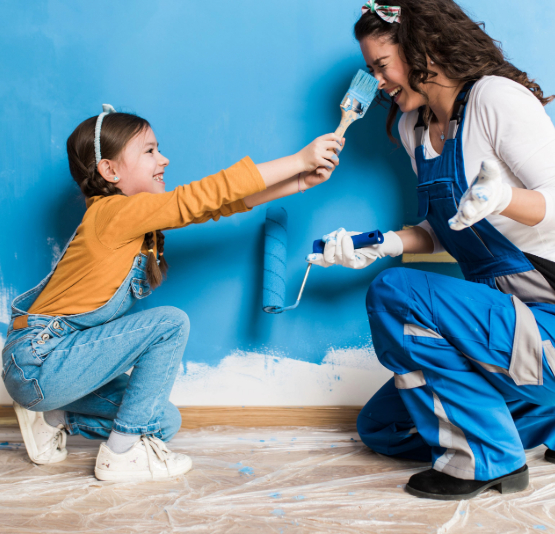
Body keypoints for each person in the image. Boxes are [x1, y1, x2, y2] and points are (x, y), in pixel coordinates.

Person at [3, 104, 342, 482]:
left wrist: (298, 181)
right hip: (39, 362)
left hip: (59, 371)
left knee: (162, 420)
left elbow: (215, 207)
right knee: (169, 323)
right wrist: (297, 159)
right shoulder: (111, 214)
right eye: (149, 151)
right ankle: (120, 456)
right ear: (109, 171)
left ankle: (53, 418)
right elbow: (201, 197)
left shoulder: (134, 222)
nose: (163, 158)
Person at [308, 0, 555, 500]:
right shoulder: (412, 128)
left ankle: (490, 461)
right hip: (501, 324)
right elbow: (447, 227)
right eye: (370, 72)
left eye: (382, 66)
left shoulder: (496, 99)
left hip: (546, 319)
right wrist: (380, 243)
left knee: (394, 292)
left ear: (422, 50)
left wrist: (504, 197)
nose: (377, 83)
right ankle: (547, 419)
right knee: (384, 428)